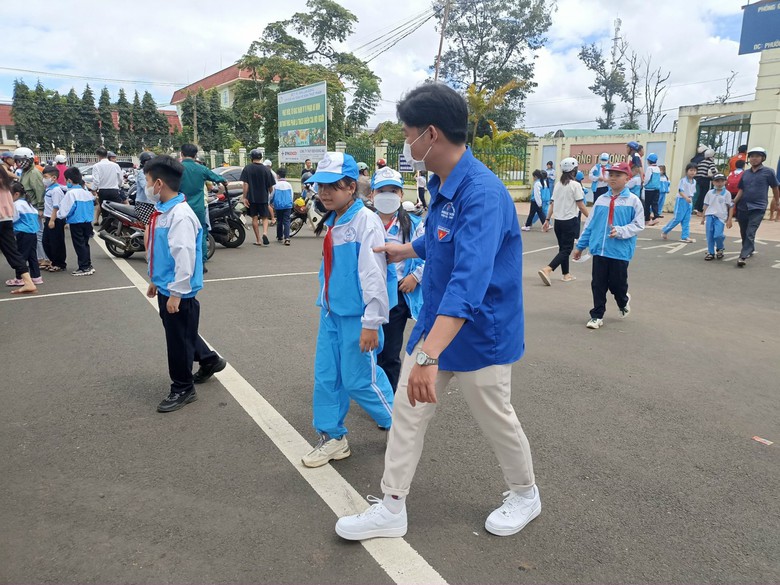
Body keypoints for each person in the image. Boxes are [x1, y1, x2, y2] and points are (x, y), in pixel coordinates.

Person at [335, 83, 539, 541]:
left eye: (408, 135)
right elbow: (442, 237)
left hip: (481, 333)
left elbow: (469, 283)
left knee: (495, 418)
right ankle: (392, 506)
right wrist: (406, 249)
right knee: (407, 412)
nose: (406, 145)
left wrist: (428, 356)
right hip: (436, 324)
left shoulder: (482, 194)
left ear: (431, 134)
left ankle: (525, 493)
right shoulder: (441, 183)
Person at [301, 152, 395, 467]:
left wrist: (371, 322)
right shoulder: (336, 219)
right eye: (320, 186)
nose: (324, 193)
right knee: (327, 377)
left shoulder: (364, 221)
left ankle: (399, 426)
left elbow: (374, 275)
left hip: (357, 316)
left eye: (333, 186)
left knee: (359, 380)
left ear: (351, 187)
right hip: (331, 312)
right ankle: (332, 438)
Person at [143, 155, 226, 413]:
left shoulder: (180, 215)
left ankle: (182, 387)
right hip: (167, 286)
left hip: (178, 290)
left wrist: (177, 292)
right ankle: (209, 360)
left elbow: (184, 256)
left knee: (178, 341)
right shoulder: (164, 211)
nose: (146, 186)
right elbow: (160, 251)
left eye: (148, 181)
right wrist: (155, 280)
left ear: (159, 184)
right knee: (181, 332)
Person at [573, 161, 644, 329]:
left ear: (627, 178)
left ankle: (623, 301)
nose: (613, 178)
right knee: (598, 284)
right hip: (599, 250)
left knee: (617, 285)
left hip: (620, 251)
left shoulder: (633, 201)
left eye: (618, 175)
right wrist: (580, 246)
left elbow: (639, 224)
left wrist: (621, 231)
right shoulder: (601, 200)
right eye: (611, 175)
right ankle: (597, 315)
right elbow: (590, 224)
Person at [373, 166, 425, 393]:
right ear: (372, 194)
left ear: (402, 194)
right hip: (367, 293)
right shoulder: (364, 221)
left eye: (393, 190)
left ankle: (388, 398)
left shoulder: (414, 224)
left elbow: (433, 255)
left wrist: (415, 276)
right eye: (381, 190)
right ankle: (371, 391)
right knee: (367, 346)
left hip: (397, 294)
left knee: (390, 351)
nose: (387, 195)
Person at [539, 158, 589, 285]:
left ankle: (566, 274)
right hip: (569, 221)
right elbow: (581, 205)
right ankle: (548, 269)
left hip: (558, 222)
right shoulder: (575, 185)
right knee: (566, 250)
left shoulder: (558, 185)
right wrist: (592, 218)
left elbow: (552, 204)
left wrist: (547, 219)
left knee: (562, 249)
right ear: (574, 170)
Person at [728, 147, 779, 267]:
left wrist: (777, 201)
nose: (754, 158)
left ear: (763, 158)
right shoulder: (745, 173)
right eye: (751, 156)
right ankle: (749, 249)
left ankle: (743, 256)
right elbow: (741, 189)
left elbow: (775, 187)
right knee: (744, 231)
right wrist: (734, 201)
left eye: (757, 156)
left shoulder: (769, 172)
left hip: (758, 207)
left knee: (751, 231)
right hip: (743, 206)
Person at [179, 144, 227, 267]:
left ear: (181, 154)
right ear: (195, 155)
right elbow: (216, 178)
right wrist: (223, 181)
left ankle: (184, 262)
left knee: (181, 234)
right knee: (201, 234)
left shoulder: (176, 168)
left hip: (180, 208)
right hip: (198, 208)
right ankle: (201, 262)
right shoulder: (201, 169)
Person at [0, 174, 37, 294]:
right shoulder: (6, 184)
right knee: (12, 251)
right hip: (7, 219)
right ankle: (28, 281)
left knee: (14, 251)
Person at [58, 167, 96, 276]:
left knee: (79, 245)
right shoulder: (86, 192)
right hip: (87, 222)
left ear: (69, 180)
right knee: (85, 244)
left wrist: (59, 216)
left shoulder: (71, 194)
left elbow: (66, 210)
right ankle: (88, 264)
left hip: (76, 222)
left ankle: (83, 267)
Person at [14, 147, 47, 269]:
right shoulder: (24, 172)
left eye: (21, 160)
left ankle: (43, 258)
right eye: (17, 160)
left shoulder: (34, 173)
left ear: (29, 160)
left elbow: (39, 191)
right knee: (34, 234)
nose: (18, 163)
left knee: (38, 234)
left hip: (34, 208)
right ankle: (38, 258)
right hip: (27, 208)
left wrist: (41, 208)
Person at [7, 183, 42, 287]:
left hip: (23, 232)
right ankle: (36, 277)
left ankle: (20, 278)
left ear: (16, 194)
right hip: (32, 232)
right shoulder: (28, 204)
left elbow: (13, 218)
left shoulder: (16, 205)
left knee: (21, 256)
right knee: (32, 255)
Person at [240, 148, 276, 246]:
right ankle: (265, 233)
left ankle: (258, 240)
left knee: (254, 218)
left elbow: (246, 184)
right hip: (263, 197)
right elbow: (270, 187)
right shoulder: (266, 170)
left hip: (252, 198)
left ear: (251, 157)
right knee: (265, 217)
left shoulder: (247, 168)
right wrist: (271, 197)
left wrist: (244, 197)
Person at [700, 173, 732, 261]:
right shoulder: (710, 193)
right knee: (709, 235)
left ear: (725, 182)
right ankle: (711, 252)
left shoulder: (727, 193)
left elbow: (730, 206)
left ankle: (720, 247)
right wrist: (703, 217)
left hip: (720, 217)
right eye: (717, 181)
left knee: (718, 235)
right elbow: (706, 205)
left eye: (722, 181)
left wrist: (729, 219)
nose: (719, 183)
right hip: (710, 216)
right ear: (713, 182)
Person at [661, 164, 697, 243]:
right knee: (678, 218)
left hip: (689, 201)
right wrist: (686, 198)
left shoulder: (694, 181)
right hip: (681, 200)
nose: (692, 172)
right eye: (691, 170)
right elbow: (680, 191)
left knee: (686, 219)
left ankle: (685, 236)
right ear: (687, 171)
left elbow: (693, 192)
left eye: (694, 170)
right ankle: (665, 230)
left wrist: (689, 199)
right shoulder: (683, 180)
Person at [41, 165, 67, 273]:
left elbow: (56, 207)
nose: (44, 179)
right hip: (49, 217)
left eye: (46, 177)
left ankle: (59, 264)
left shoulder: (56, 190)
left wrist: (52, 220)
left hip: (55, 219)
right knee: (46, 241)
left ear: (54, 178)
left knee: (56, 242)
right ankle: (53, 261)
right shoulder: (49, 188)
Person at [90, 146, 123, 225]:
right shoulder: (115, 165)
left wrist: (93, 189)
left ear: (98, 156)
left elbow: (96, 180)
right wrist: (118, 186)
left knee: (105, 210)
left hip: (103, 191)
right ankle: (115, 226)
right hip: (114, 190)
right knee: (115, 210)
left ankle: (106, 226)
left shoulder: (96, 166)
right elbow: (120, 178)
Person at [271, 167, 293, 245]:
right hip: (287, 205)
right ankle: (287, 238)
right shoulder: (289, 185)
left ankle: (279, 236)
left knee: (279, 220)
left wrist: (270, 202)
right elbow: (291, 195)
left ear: (278, 175)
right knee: (287, 221)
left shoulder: (276, 185)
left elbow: (272, 195)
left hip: (278, 205)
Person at [134, 152, 156, 225]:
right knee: (149, 226)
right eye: (149, 161)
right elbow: (146, 187)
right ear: (144, 162)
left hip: (154, 204)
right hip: (144, 205)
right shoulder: (142, 173)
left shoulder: (155, 173)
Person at [694, 148, 716, 214]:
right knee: (705, 194)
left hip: (699, 180)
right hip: (706, 180)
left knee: (700, 194)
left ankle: (696, 207)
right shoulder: (711, 163)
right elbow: (713, 171)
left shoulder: (701, 162)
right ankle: (701, 209)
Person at [643, 153, 662, 225]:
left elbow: (647, 178)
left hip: (649, 189)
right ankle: (656, 217)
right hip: (657, 189)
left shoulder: (649, 168)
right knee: (655, 204)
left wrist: (644, 184)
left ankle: (647, 219)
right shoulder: (657, 168)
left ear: (648, 161)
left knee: (647, 205)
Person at [264, 159, 278, 225]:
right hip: (271, 189)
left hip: (272, 189)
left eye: (266, 166)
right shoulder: (269, 172)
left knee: (268, 204)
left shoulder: (271, 173)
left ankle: (273, 219)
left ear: (269, 166)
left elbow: (270, 184)